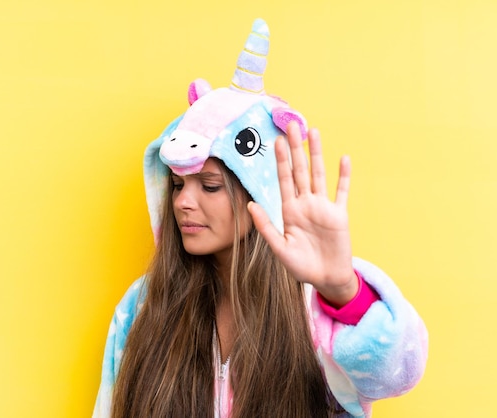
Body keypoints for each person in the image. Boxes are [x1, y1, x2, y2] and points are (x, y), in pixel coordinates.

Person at [93, 18, 428, 418]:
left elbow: (398, 373)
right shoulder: (143, 305)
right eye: (179, 185)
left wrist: (342, 290)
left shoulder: (318, 307)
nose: (183, 202)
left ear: (259, 194)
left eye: (209, 185)